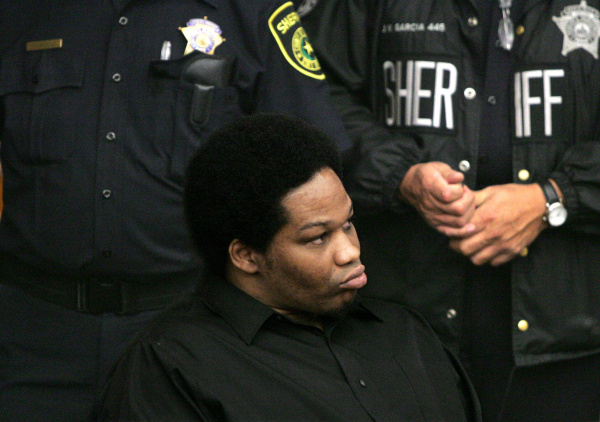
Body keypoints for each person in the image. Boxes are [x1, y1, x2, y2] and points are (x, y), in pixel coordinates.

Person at [0, 2, 352, 421]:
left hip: (190, 336)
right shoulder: (19, 12)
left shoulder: (251, 10)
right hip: (33, 337)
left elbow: (311, 169)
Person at [300, 1, 600, 421]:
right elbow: (312, 89)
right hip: (404, 324)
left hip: (570, 332)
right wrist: (401, 175)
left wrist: (551, 198)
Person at [93, 113, 480, 422]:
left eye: (348, 224)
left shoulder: (406, 333)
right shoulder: (171, 368)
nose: (349, 252)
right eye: (318, 238)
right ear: (246, 256)